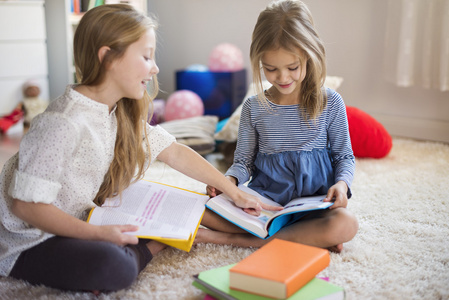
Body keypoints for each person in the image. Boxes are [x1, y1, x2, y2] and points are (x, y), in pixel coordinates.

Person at [0, 4, 280, 293]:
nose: (155, 67)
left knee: (195, 205)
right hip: (28, 241)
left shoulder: (115, 111)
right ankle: (158, 243)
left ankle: (174, 234)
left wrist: (231, 189)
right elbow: (26, 206)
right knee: (114, 266)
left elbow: (174, 152)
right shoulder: (62, 122)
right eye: (146, 57)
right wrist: (96, 234)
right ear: (107, 57)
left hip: (79, 217)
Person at [198, 0, 358, 253]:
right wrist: (227, 182)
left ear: (309, 55)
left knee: (347, 224)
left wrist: (342, 185)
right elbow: (243, 163)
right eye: (271, 69)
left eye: (292, 68)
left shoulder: (330, 102)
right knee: (198, 207)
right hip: (265, 206)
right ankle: (302, 238)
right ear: (259, 61)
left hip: (313, 207)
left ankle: (241, 241)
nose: (283, 78)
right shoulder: (254, 107)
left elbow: (344, 156)